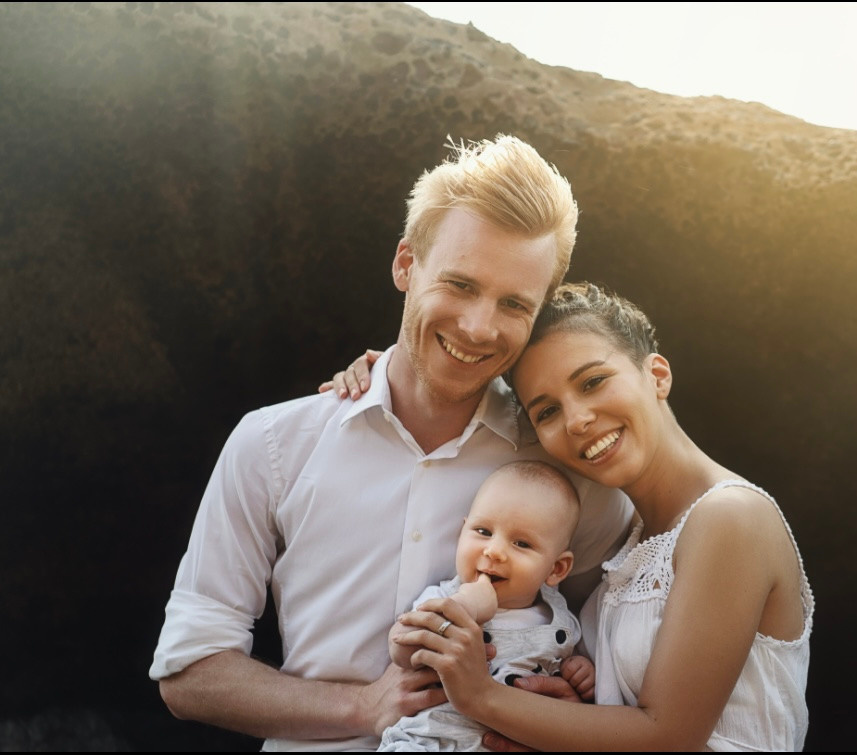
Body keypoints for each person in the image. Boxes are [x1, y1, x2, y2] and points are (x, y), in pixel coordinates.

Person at [149, 136, 633, 751]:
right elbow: (189, 674)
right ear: (406, 264)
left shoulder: (562, 465)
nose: (479, 327)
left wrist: (569, 706)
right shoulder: (273, 443)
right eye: (459, 284)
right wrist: (362, 706)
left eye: (514, 303)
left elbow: (609, 646)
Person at [332, 282, 814, 751]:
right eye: (547, 412)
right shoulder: (627, 541)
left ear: (658, 375)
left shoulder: (731, 517)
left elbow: (669, 737)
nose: (578, 419)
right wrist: (397, 376)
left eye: (593, 381)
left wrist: (482, 696)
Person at [380, 459, 595, 751]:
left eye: (521, 544)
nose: (494, 551)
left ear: (556, 568)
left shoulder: (561, 620)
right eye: (483, 532)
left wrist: (580, 671)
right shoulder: (444, 597)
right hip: (428, 740)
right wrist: (462, 607)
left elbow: (564, 672)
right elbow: (401, 648)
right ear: (462, 532)